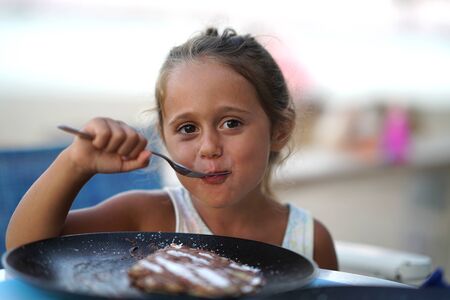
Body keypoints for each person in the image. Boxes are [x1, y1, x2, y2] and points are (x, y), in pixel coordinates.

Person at [6, 27, 337, 270]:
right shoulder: (146, 217)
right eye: (187, 129)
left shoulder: (310, 240)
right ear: (163, 137)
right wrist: (74, 164)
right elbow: (25, 248)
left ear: (280, 130)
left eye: (231, 123)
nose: (208, 147)